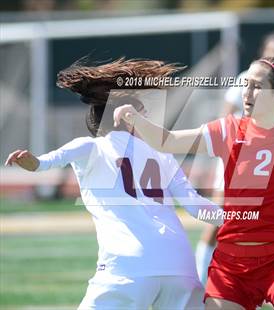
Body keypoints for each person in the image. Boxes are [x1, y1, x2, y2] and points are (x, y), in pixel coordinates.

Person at [113, 7, 274, 310]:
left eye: (256, 86)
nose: (246, 91)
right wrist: (135, 118)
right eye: (246, 84)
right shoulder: (227, 130)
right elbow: (168, 141)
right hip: (232, 264)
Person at [5, 58, 222, 310]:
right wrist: (250, 219)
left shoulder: (91, 147)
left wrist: (31, 162)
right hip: (180, 267)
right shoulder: (162, 155)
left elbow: (45, 163)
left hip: (128, 268)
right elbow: (197, 206)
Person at [195, 31, 274, 285]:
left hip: (273, 170)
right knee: (219, 220)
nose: (272, 56)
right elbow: (226, 119)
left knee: (271, 224)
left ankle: (270, 280)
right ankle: (200, 279)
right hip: (240, 163)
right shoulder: (246, 78)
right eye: (269, 50)